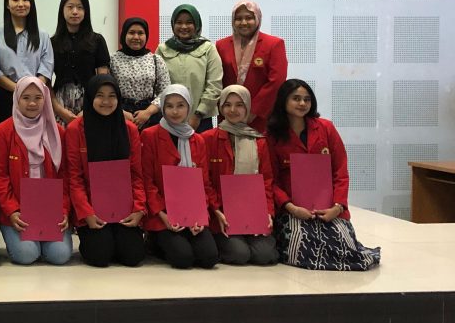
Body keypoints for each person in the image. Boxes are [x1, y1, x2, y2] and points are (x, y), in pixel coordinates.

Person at [266, 80, 380, 271]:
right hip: (293, 208)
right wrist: (292, 208)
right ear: (283, 101)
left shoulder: (326, 128)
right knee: (300, 244)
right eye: (296, 99)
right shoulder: (272, 135)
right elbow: (271, 180)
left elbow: (340, 172)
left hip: (329, 207)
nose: (302, 103)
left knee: (343, 243)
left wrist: (337, 207)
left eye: (307, 99)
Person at [66, 74, 146, 267]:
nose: (106, 101)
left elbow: (136, 175)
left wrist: (139, 208)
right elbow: (75, 178)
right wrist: (86, 213)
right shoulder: (75, 129)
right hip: (92, 209)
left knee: (133, 256)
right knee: (99, 255)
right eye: (100, 95)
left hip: (124, 207)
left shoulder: (129, 130)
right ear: (90, 97)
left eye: (112, 96)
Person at [0, 76, 72, 265]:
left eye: (38, 97)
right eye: (26, 97)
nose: (32, 103)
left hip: (50, 209)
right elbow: (0, 177)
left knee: (59, 255)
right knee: (26, 255)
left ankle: (44, 241)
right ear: (17, 98)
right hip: (18, 210)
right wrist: (12, 211)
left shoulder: (57, 132)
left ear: (46, 99)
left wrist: (63, 210)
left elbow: (65, 176)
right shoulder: (2, 132)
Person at [141, 85, 218, 269]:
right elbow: (147, 182)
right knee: (183, 259)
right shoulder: (150, 135)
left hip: (191, 213)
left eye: (180, 105)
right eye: (169, 106)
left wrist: (200, 216)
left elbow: (203, 184)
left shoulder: (197, 140)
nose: (175, 111)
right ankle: (154, 240)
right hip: (163, 215)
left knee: (209, 258)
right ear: (162, 108)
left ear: (189, 107)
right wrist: (163, 215)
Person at [204, 85, 278, 266]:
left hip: (253, 213)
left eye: (239, 105)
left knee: (264, 255)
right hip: (221, 214)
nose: (233, 110)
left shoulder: (259, 141)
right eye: (227, 104)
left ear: (247, 107)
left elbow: (266, 181)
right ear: (221, 107)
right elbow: (204, 181)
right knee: (239, 254)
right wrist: (216, 210)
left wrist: (268, 212)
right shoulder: (208, 138)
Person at [215, 0, 288, 133]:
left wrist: (253, 111)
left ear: (258, 18)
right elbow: (217, 79)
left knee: (260, 146)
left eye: (249, 18)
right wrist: (226, 108)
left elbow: (277, 81)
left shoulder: (273, 44)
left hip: (260, 117)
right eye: (238, 18)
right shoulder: (221, 45)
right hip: (229, 115)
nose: (243, 22)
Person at [0, 0, 53, 126]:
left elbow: (47, 67)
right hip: (7, 95)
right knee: (5, 135)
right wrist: (18, 89)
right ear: (7, 5)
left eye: (25, 0)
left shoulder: (43, 36)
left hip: (36, 97)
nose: (20, 4)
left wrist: (32, 90)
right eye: (15, 0)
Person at [156, 4, 223, 133]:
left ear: (196, 24)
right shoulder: (162, 49)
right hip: (169, 118)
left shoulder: (208, 48)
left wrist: (198, 114)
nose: (184, 27)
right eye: (179, 22)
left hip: (201, 120)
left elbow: (214, 85)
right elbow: (157, 85)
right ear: (173, 24)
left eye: (189, 22)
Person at [49, 0, 110, 125]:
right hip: (59, 102)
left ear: (86, 11)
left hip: (91, 100)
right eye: (70, 7)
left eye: (80, 7)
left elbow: (103, 78)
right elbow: (46, 80)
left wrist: (89, 108)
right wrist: (58, 109)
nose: (75, 11)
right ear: (62, 10)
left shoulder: (97, 40)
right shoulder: (52, 43)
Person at [109, 17, 170, 131]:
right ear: (124, 34)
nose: (136, 37)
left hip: (150, 115)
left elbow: (165, 91)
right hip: (120, 114)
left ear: (146, 36)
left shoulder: (156, 60)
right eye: (131, 32)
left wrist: (147, 112)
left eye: (140, 33)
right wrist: (121, 112)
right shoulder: (113, 60)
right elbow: (107, 91)